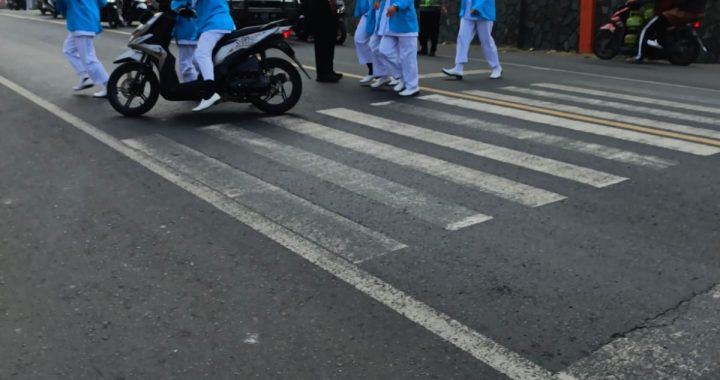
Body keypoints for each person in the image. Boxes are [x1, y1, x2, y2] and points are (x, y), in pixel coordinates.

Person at [179, 0, 236, 112]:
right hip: (224, 23)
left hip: (214, 25)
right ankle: (215, 85)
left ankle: (210, 92)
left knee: (201, 54)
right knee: (198, 58)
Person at [57, 0, 111, 98]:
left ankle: (109, 85)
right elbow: (103, 3)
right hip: (89, 19)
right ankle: (85, 76)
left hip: (80, 22)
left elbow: (61, 5)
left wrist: (67, 12)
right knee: (68, 49)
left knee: (88, 58)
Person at [441, 0, 502, 80]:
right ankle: (459, 67)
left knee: (485, 41)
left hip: (483, 11)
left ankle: (496, 67)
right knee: (462, 38)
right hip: (467, 12)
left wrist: (476, 7)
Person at [635, 0, 707, 62]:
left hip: (680, 12)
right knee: (661, 27)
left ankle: (639, 56)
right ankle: (657, 46)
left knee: (646, 29)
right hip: (695, 12)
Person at [376, 0, 421, 96]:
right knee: (384, 51)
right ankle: (403, 77)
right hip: (389, 23)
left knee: (408, 57)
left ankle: (412, 86)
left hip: (405, 24)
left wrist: (396, 6)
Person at [306, 0, 343, 82]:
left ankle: (329, 70)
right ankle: (322, 74)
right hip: (320, 14)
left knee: (330, 43)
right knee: (322, 44)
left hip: (329, 12)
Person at [171, 0, 199, 83]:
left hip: (186, 33)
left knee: (186, 65)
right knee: (197, 62)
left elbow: (175, 10)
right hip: (196, 30)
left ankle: (192, 88)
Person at [354, 0, 375, 85]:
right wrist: (357, 14)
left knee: (382, 46)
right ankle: (372, 70)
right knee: (359, 40)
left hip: (379, 13)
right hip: (366, 14)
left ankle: (397, 76)